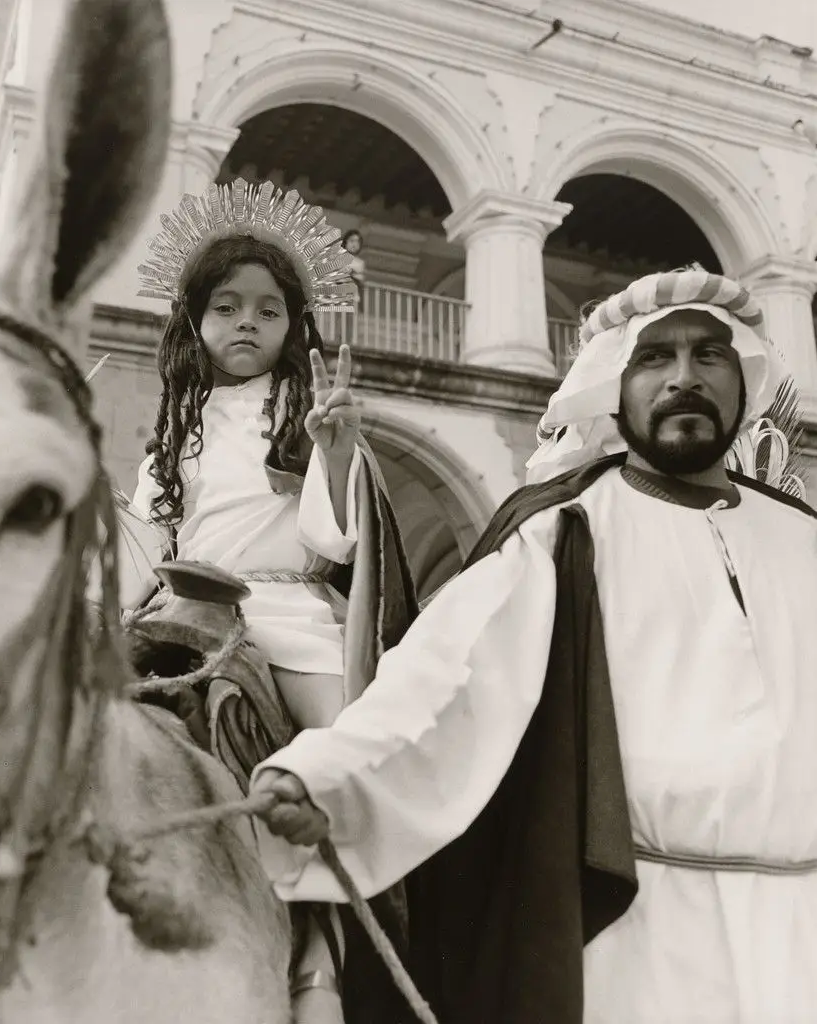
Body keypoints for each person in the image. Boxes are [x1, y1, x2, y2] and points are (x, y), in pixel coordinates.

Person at [250, 267, 817, 1024]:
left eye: (708, 356)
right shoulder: (561, 532)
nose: (683, 377)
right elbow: (444, 683)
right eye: (654, 358)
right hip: (642, 938)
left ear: (740, 381)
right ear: (612, 388)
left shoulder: (804, 539)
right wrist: (322, 779)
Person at [128, 178, 419, 1024]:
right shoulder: (175, 426)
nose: (245, 322)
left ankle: (320, 960)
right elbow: (152, 536)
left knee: (339, 759)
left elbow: (334, 543)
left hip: (289, 617)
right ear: (194, 321)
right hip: (186, 612)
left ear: (295, 327)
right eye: (226, 306)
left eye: (266, 309)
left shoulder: (302, 409)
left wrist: (337, 448)